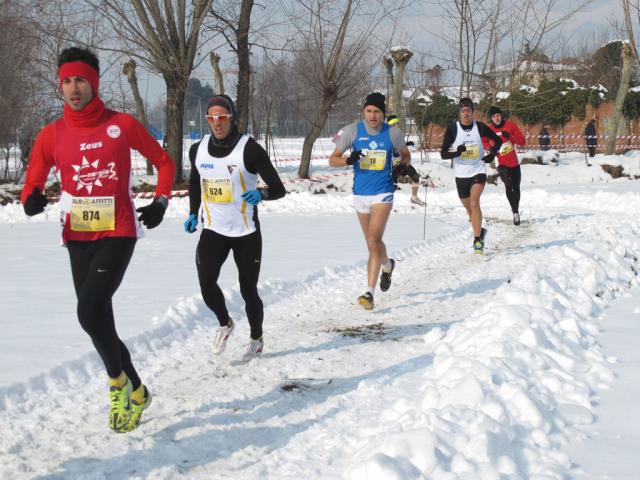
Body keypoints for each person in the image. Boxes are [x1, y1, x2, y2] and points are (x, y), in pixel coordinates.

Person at [20, 47, 175, 433]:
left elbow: (164, 162)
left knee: (88, 312)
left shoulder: (121, 125)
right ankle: (139, 390)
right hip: (77, 236)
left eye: (80, 80)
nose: (73, 88)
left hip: (118, 231)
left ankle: (118, 385)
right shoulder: (51, 134)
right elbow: (32, 182)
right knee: (98, 319)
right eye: (67, 81)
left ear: (94, 82)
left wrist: (160, 200)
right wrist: (31, 199)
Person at [184, 94, 285, 360]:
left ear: (231, 118)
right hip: (214, 230)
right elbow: (195, 182)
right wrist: (193, 213)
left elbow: (279, 188)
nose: (217, 123)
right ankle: (224, 322)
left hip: (245, 232)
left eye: (222, 117)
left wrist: (262, 194)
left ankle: (256, 337)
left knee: (247, 289)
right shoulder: (198, 149)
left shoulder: (249, 149)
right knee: (206, 282)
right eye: (212, 118)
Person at [330, 92, 410, 310]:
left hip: (383, 193)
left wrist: (402, 165)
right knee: (372, 244)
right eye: (369, 111)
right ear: (363, 111)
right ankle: (387, 265)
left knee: (374, 240)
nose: (372, 116)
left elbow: (405, 154)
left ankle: (369, 292)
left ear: (383, 113)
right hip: (360, 194)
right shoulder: (352, 131)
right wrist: (348, 159)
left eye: (377, 112)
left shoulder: (392, 133)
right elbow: (332, 160)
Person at [440, 97, 502, 253]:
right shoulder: (453, 129)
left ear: (473, 112)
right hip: (461, 174)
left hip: (478, 170)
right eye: (463, 111)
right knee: (470, 209)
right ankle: (480, 231)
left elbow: (497, 140)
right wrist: (456, 152)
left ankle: (477, 240)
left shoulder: (480, 127)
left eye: (468, 110)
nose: (466, 113)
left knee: (474, 203)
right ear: (459, 113)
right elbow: (443, 154)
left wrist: (492, 154)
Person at [484, 106, 526, 225]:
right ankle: (515, 213)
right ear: (491, 118)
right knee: (508, 185)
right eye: (493, 117)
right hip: (501, 163)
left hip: (514, 162)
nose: (496, 118)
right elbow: (484, 142)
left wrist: (510, 137)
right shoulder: (489, 129)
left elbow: (522, 141)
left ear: (501, 115)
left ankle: (515, 210)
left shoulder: (510, 125)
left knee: (516, 187)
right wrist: (491, 147)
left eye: (498, 115)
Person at [387, 114, 425, 207]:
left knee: (415, 175)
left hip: (401, 160)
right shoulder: (387, 133)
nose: (396, 125)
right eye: (394, 123)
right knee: (393, 181)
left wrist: (406, 144)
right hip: (391, 162)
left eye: (397, 123)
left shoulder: (397, 133)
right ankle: (386, 201)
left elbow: (400, 147)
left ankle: (414, 198)